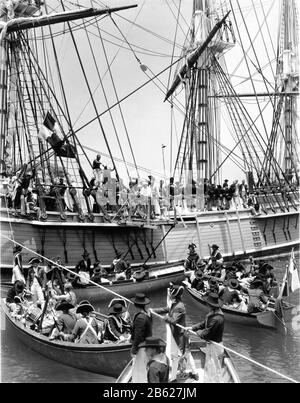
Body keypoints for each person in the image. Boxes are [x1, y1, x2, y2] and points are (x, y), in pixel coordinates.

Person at [152, 285, 198, 381]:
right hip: (177, 335)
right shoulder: (176, 303)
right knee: (182, 356)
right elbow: (167, 309)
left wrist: (166, 318)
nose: (169, 295)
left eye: (170, 293)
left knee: (180, 356)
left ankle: (177, 378)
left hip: (180, 336)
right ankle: (193, 374)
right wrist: (152, 310)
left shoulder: (179, 307)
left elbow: (173, 320)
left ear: (173, 295)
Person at [188, 292, 225, 383]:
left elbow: (206, 334)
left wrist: (196, 332)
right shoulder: (213, 313)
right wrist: (192, 327)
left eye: (207, 303)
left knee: (214, 370)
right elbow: (204, 324)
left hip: (215, 347)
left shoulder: (217, 319)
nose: (206, 304)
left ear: (211, 304)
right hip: (211, 345)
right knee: (209, 367)